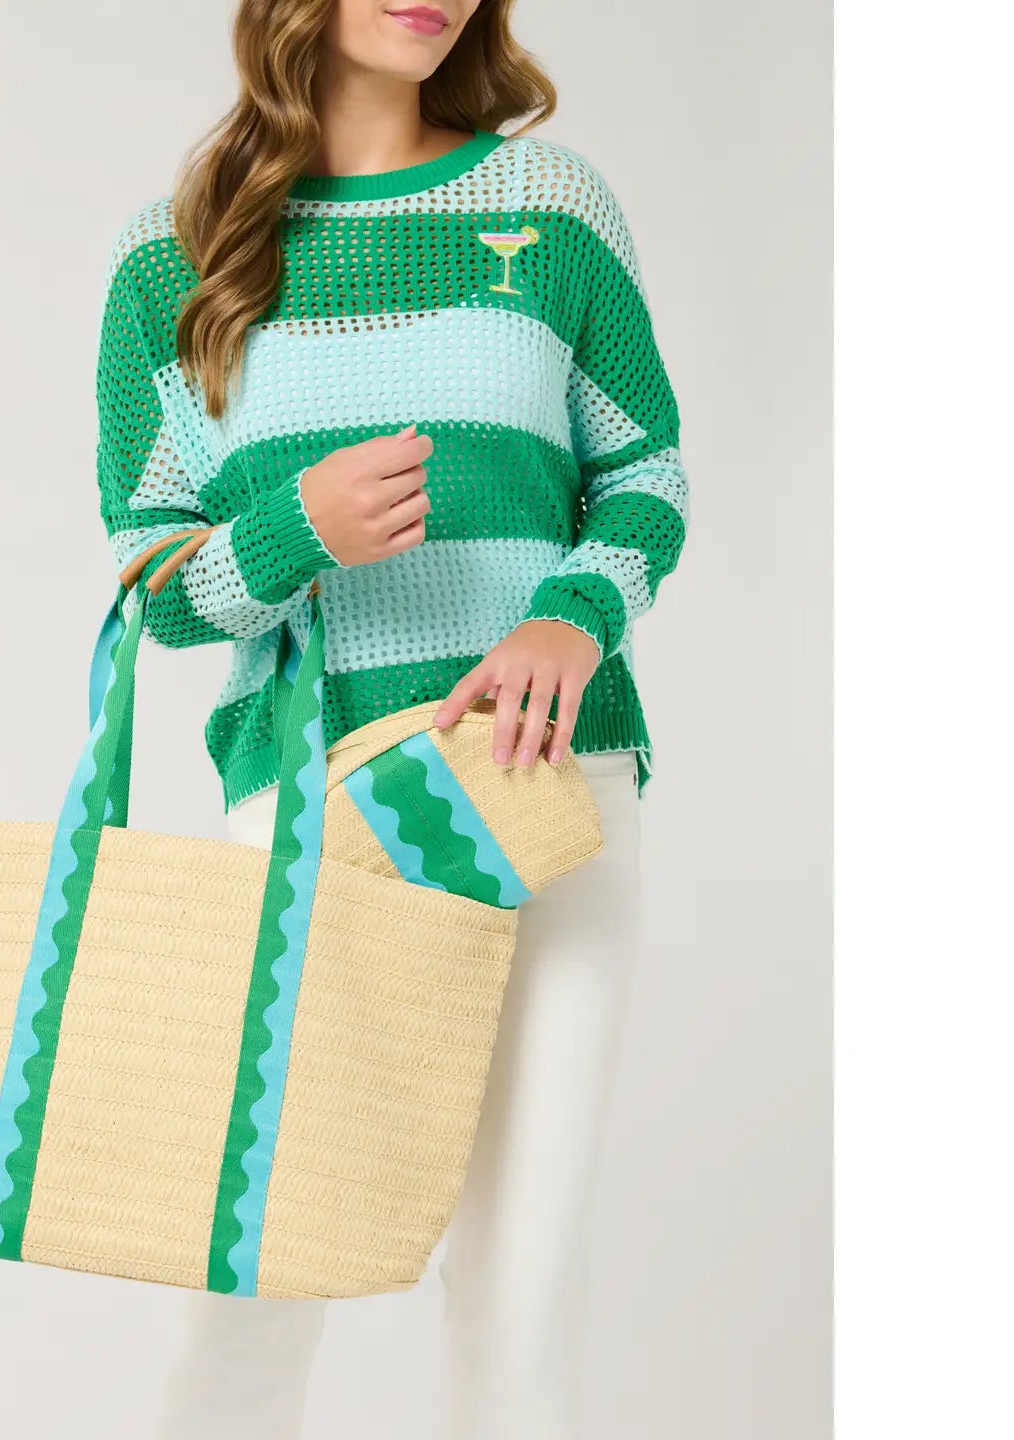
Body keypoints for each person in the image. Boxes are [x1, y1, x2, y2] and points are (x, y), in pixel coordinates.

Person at [92, 2, 688, 1435]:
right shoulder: (173, 256)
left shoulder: (553, 207)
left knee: (521, 1283)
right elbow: (152, 582)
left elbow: (647, 474)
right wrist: (293, 528)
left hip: (547, 782)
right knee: (255, 1274)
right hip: (312, 806)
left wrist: (573, 614)